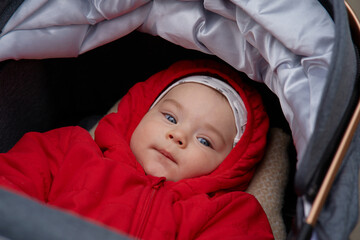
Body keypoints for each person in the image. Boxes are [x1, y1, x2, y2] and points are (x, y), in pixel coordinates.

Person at [0, 59, 273, 239]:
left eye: (205, 141)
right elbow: (9, 184)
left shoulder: (224, 213)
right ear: (139, 114)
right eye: (170, 117)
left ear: (227, 166)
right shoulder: (70, 149)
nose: (178, 135)